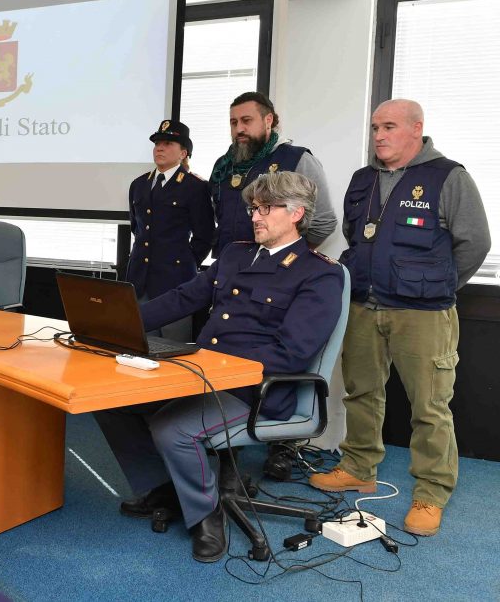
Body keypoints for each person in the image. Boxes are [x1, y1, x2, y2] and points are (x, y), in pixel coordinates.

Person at [95, 172, 344, 562]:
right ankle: (166, 488)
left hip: (256, 389)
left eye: (265, 209)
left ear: (296, 213)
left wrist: (220, 368)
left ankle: (206, 515)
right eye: (253, 208)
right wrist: (118, 323)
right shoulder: (235, 254)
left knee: (171, 429)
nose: (255, 217)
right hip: (204, 374)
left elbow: (293, 352)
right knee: (110, 401)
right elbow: (184, 297)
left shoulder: (319, 273)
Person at [309, 99, 490, 537]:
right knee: (361, 392)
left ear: (416, 129)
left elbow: (475, 243)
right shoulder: (363, 179)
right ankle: (358, 467)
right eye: (375, 127)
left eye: (389, 127)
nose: (379, 136)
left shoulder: (448, 176)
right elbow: (356, 236)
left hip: (422, 312)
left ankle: (432, 491)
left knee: (429, 405)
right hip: (364, 305)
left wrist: (437, 283)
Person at [209, 92, 337, 257]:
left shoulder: (297, 159)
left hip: (276, 268)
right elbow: (217, 217)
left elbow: (323, 223)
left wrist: (288, 256)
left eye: (246, 120)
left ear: (268, 120)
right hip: (226, 265)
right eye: (234, 123)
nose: (239, 129)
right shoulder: (222, 166)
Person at [126, 119, 214, 341]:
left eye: (168, 143)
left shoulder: (195, 187)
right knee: (139, 343)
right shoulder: (139, 185)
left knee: (173, 346)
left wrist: (184, 262)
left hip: (176, 282)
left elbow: (205, 236)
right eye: (157, 144)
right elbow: (137, 228)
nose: (160, 148)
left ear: (183, 153)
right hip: (140, 280)